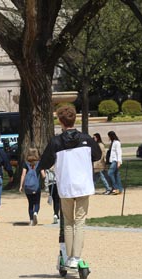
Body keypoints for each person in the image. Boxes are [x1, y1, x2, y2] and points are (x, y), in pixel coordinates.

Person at [39, 105, 101, 268]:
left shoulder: (56, 142)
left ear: (60, 121)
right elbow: (97, 155)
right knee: (80, 221)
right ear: (75, 119)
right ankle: (76, 257)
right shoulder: (86, 139)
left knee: (68, 221)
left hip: (66, 185)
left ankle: (69, 257)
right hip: (83, 184)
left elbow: (45, 162)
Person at [19, 147, 46, 226]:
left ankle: (31, 220)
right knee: (37, 202)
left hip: (28, 187)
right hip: (36, 187)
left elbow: (23, 175)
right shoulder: (39, 163)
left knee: (30, 203)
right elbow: (43, 175)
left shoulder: (26, 163)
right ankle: (35, 213)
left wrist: (21, 185)